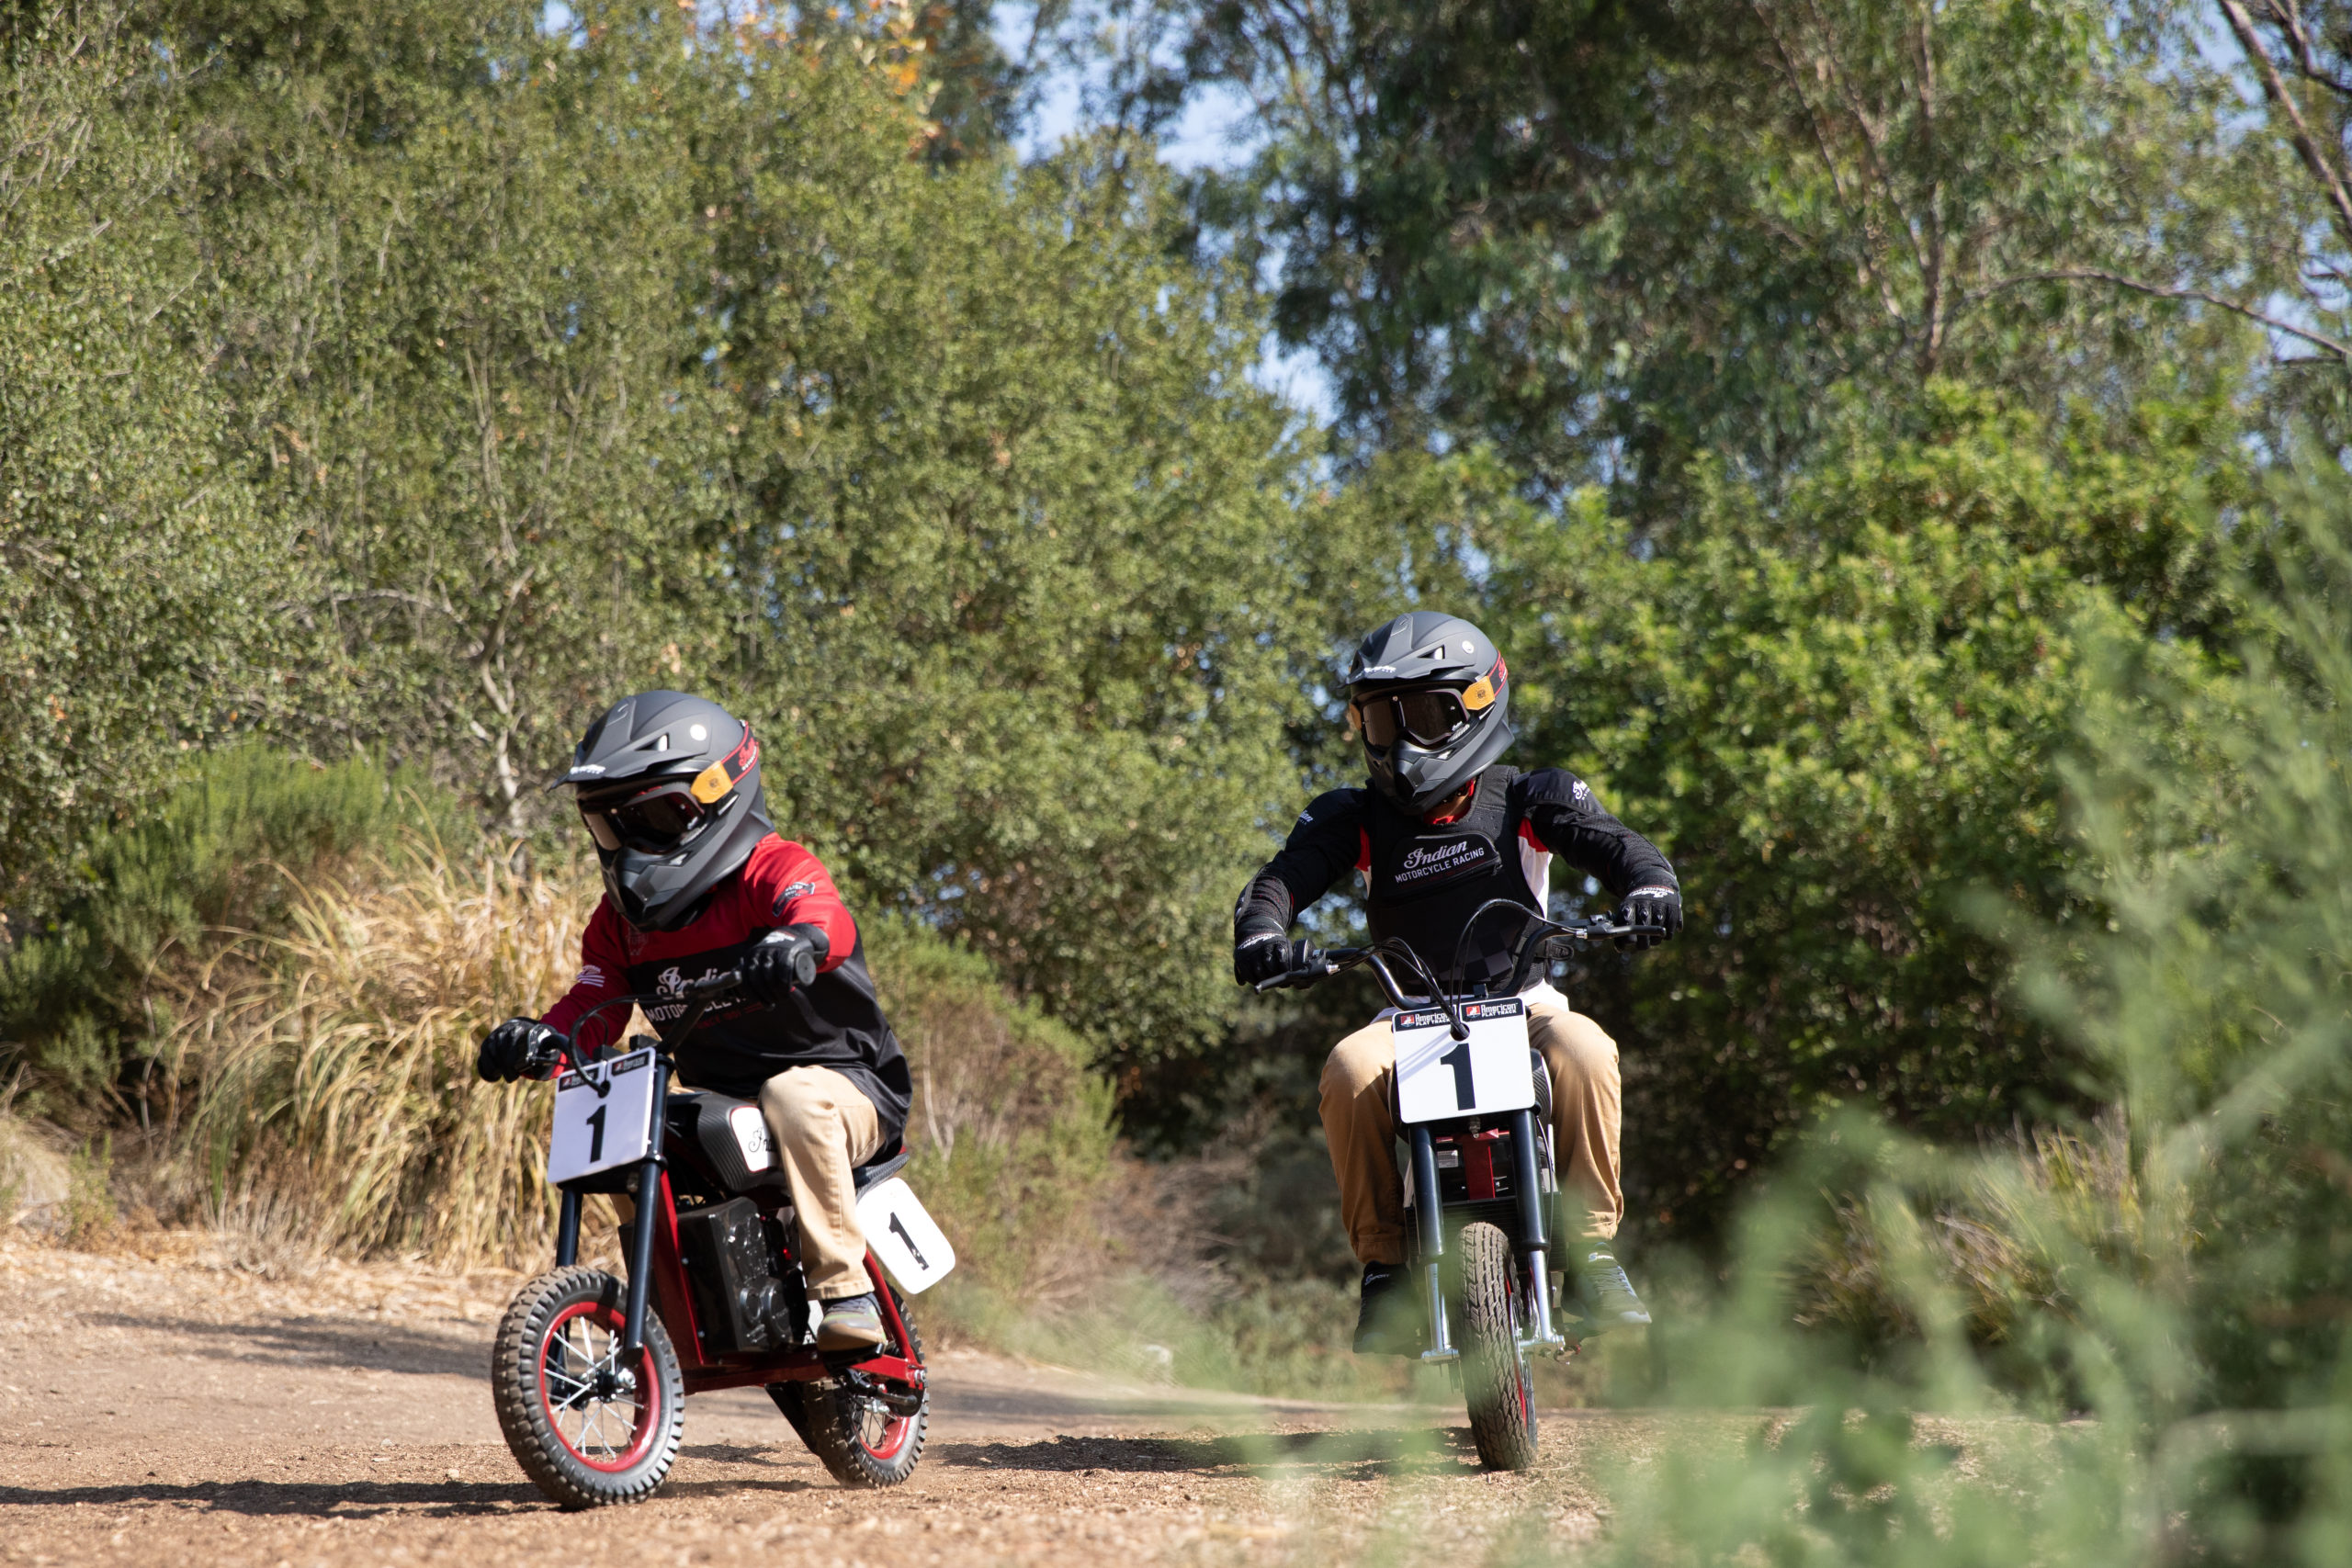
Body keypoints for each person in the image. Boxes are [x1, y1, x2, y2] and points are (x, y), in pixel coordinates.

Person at [1231, 612, 1682, 1351]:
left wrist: (1651, 890)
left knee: (1587, 1049)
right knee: (1347, 1070)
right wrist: (1263, 934)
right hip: (1408, 1017)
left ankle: (1593, 1253)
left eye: (1424, 712)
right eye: (1382, 717)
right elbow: (1282, 880)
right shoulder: (1356, 817)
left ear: (1478, 703)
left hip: (1525, 1005)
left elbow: (1621, 848)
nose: (1402, 737)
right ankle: (1384, 1269)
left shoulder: (1535, 798)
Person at [474, 690, 911, 1351]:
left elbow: (827, 919)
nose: (630, 846)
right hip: (725, 1100)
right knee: (639, 1122)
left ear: (718, 794)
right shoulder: (619, 925)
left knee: (792, 1095)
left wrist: (797, 943)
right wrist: (543, 1039)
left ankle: (844, 1291)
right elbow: (593, 1007)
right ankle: (680, 1316)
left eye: (654, 815)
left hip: (851, 1088)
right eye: (612, 826)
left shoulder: (773, 866)